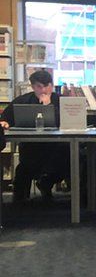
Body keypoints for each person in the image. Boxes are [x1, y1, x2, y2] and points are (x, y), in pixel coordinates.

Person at [0, 69, 69, 202]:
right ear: (32, 87)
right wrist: (4, 122)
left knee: (69, 158)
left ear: (52, 85)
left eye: (47, 85)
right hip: (32, 146)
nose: (43, 90)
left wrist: (48, 105)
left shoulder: (61, 101)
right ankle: (20, 199)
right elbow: (6, 117)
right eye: (38, 86)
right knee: (25, 165)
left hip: (58, 146)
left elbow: (66, 121)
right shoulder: (23, 100)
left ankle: (46, 182)